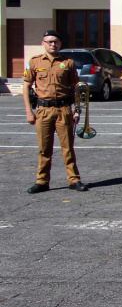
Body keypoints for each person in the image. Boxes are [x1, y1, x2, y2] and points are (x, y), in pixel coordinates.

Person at [22, 30, 85, 193]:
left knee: (68, 147)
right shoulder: (35, 62)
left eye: (55, 42)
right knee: (44, 149)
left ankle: (74, 180)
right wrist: (29, 111)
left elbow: (76, 87)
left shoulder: (68, 62)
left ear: (60, 44)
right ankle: (42, 181)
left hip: (64, 109)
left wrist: (77, 110)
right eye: (49, 42)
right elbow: (26, 86)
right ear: (43, 44)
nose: (53, 44)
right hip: (43, 110)